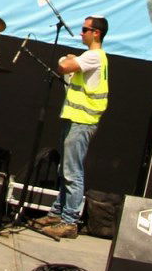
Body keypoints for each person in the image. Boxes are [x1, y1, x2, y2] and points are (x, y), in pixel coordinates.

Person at [32, 16, 110, 240]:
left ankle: (69, 221)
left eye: (85, 29)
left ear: (96, 33)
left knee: (72, 172)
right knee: (64, 171)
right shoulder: (90, 57)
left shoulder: (94, 56)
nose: (81, 33)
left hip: (82, 121)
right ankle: (57, 214)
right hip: (75, 119)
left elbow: (64, 66)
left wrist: (68, 58)